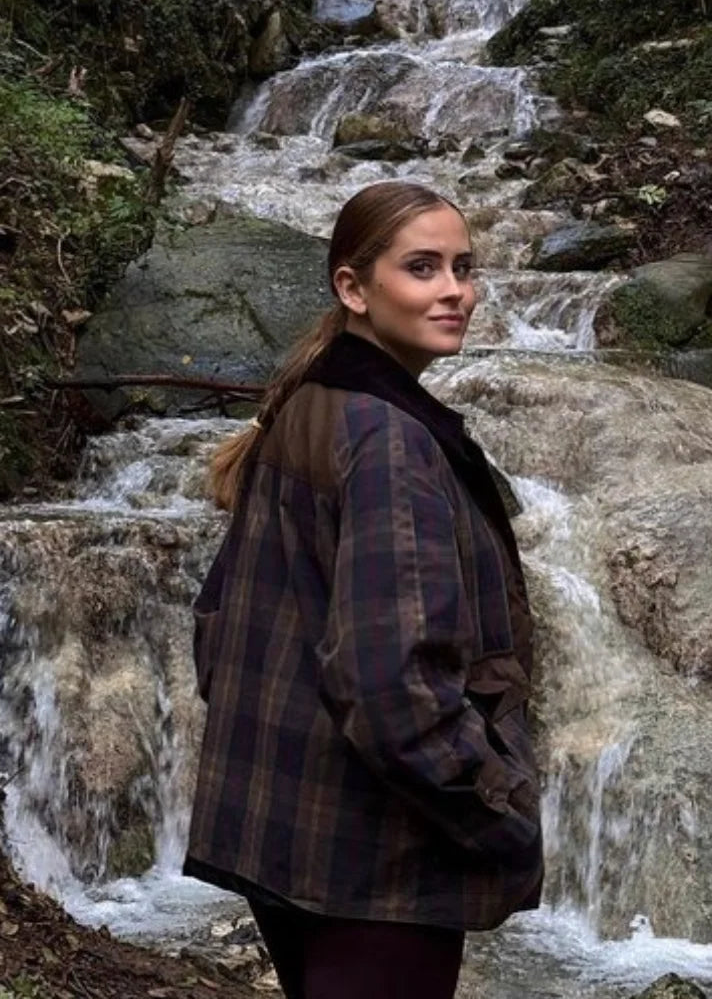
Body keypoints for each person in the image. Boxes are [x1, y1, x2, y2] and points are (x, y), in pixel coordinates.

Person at [183, 181, 543, 999]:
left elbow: (218, 625)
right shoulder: (387, 439)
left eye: (463, 267)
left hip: (287, 834)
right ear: (353, 287)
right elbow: (392, 686)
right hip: (376, 859)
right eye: (422, 268)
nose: (455, 292)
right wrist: (499, 812)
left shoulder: (311, 403)